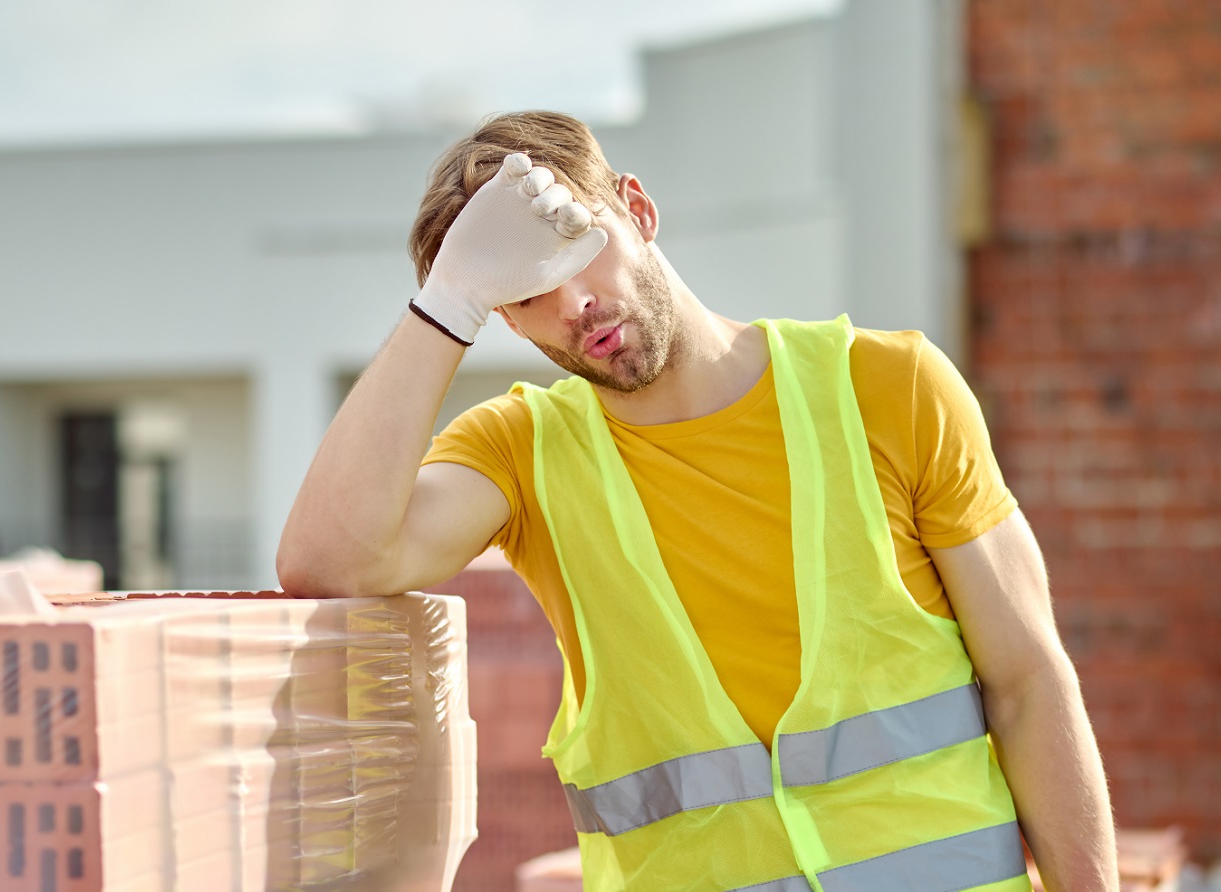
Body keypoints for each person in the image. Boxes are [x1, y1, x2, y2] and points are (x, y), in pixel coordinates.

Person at [278, 111, 1117, 892]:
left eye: (575, 248)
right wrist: (449, 299)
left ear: (637, 208)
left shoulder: (891, 388)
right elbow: (328, 563)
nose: (573, 305)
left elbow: (1028, 681)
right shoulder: (521, 456)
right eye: (521, 292)